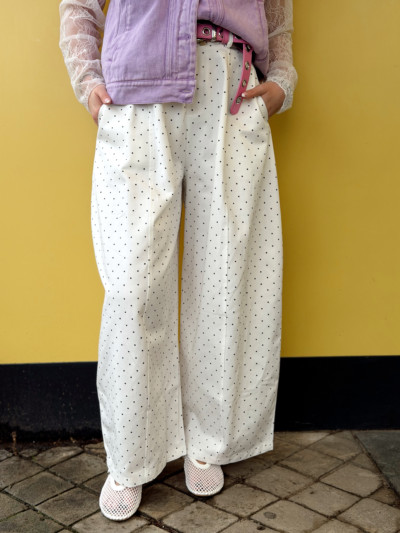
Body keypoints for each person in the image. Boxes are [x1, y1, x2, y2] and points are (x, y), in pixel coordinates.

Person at [59, 0, 297, 522]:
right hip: (137, 92)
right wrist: (87, 79)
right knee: (133, 288)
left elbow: (276, 8)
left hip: (230, 86)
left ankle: (208, 440)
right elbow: (78, 4)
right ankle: (131, 457)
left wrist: (282, 77)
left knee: (226, 277)